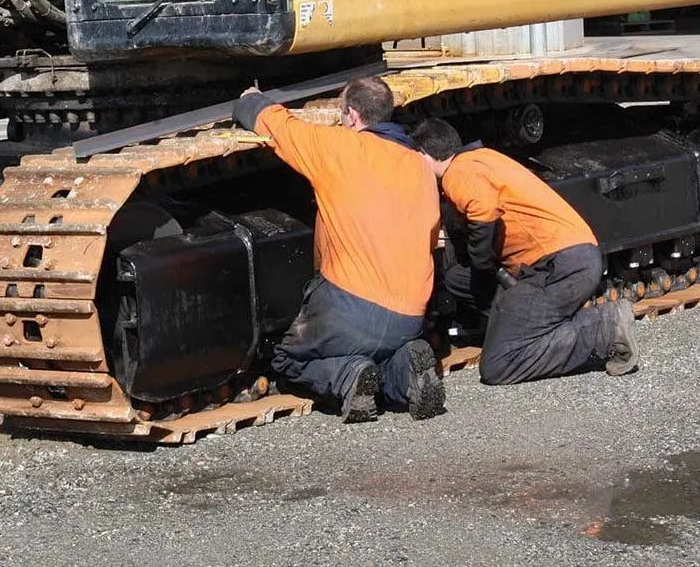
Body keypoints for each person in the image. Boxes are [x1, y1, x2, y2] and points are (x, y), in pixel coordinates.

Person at [232, 77, 446, 422]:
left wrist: (250, 100)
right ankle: (407, 370)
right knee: (380, 354)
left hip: (348, 310)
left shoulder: (338, 147)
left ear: (350, 116)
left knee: (287, 360)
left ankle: (350, 376)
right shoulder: (420, 167)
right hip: (410, 316)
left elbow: (280, 127)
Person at [410, 117, 639, 385]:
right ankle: (509, 327)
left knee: (498, 365)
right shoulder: (482, 157)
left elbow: (482, 210)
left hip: (558, 265)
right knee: (458, 278)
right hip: (571, 257)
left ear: (425, 155)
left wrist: (481, 260)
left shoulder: (458, 173)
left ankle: (603, 329)